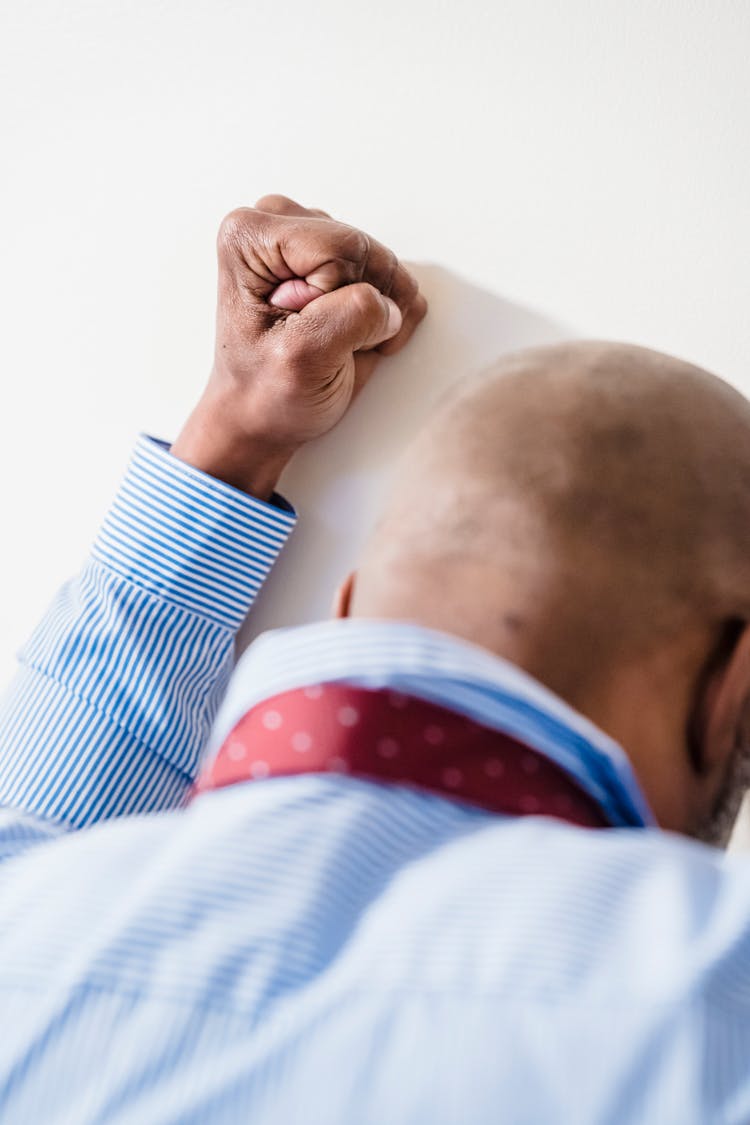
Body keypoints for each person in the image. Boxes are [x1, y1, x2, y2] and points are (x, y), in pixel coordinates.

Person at [0, 195, 749, 1125]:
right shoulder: (713, 1006)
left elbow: (44, 815)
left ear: (350, 608)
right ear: (736, 694)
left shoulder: (21, 929)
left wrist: (234, 435)